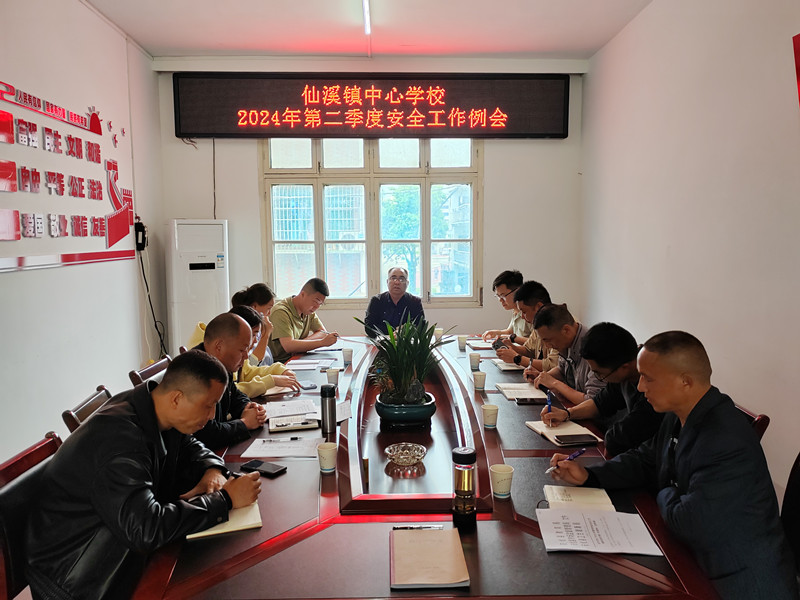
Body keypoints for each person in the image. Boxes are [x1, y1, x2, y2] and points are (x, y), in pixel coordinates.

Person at [548, 331, 799, 600]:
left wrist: (664, 490)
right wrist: (589, 475)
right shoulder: (680, 413)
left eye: (648, 378)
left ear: (685, 381)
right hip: (691, 555)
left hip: (737, 579)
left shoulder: (726, 439)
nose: (640, 387)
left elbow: (689, 522)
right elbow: (646, 459)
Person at [25, 350, 262, 600]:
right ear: (177, 398)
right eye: (208, 405)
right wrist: (225, 500)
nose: (213, 415)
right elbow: (145, 530)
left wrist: (212, 469)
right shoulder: (120, 440)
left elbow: (188, 444)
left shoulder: (152, 406)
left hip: (118, 545)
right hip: (76, 578)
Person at [540, 322, 663, 456]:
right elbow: (600, 403)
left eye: (599, 374)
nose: (599, 378)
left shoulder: (654, 389)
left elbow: (623, 435)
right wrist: (567, 414)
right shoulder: (623, 369)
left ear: (624, 367)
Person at [187, 306, 300, 397]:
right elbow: (230, 393)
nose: (255, 340)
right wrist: (270, 381)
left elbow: (246, 374)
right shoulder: (210, 360)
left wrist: (279, 370)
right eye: (254, 334)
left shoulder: (231, 354)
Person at [192, 313, 267, 449]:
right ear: (219, 346)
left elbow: (234, 394)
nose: (246, 356)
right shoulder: (196, 373)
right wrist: (245, 423)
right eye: (242, 350)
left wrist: (247, 407)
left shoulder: (220, 364)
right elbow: (207, 434)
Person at [531, 303, 606, 405]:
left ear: (566, 330)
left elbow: (592, 402)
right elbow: (562, 370)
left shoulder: (595, 348)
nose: (547, 346)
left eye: (548, 340)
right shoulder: (566, 342)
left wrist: (554, 383)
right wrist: (542, 377)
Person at [267, 277, 338, 363]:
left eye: (320, 304)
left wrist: (300, 344)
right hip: (280, 363)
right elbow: (289, 346)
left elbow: (322, 332)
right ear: (303, 294)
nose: (316, 307)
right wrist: (322, 343)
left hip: (298, 358)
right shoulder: (281, 312)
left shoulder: (308, 311)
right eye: (315, 301)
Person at [494, 280, 559, 372]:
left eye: (524, 312)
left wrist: (517, 358)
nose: (522, 317)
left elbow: (552, 365)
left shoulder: (558, 324)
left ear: (538, 307)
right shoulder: (539, 323)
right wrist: (512, 347)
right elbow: (529, 350)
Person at [363, 266, 425, 337]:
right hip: (381, 341)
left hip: (406, 342)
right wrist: (393, 332)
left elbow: (421, 327)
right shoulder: (376, 301)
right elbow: (369, 327)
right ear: (387, 282)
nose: (397, 282)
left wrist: (404, 332)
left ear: (407, 283)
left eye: (401, 279)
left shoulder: (415, 302)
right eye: (393, 278)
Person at [481, 270, 531, 344]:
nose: (500, 300)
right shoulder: (515, 310)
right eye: (498, 296)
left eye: (503, 295)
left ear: (518, 291)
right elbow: (510, 331)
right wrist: (496, 333)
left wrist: (512, 338)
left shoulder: (530, 312)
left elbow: (537, 343)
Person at [231, 282, 275, 366]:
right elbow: (251, 364)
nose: (269, 313)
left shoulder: (258, 329)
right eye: (268, 308)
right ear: (254, 307)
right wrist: (266, 335)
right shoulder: (243, 330)